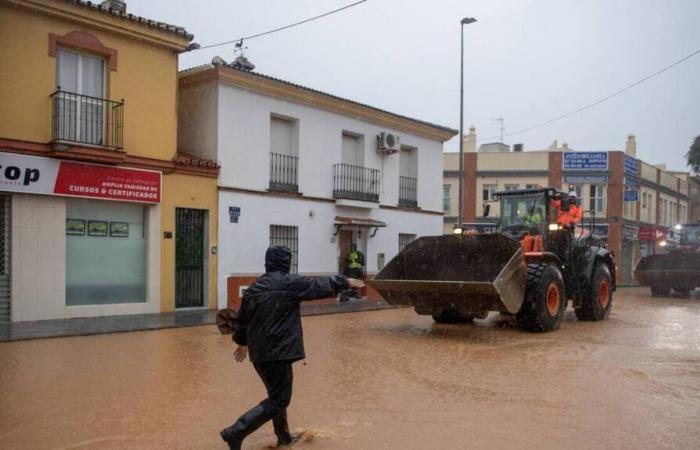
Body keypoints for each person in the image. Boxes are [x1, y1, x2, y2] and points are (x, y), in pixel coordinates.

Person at [220, 246, 364, 450]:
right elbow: (317, 286)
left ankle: (284, 437)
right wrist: (345, 281)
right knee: (279, 400)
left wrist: (242, 342)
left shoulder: (254, 288)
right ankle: (235, 432)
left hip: (260, 355)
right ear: (286, 262)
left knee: (275, 396)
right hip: (279, 352)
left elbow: (244, 320)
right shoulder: (290, 283)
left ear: (267, 262)